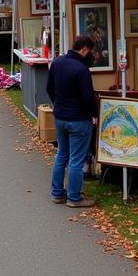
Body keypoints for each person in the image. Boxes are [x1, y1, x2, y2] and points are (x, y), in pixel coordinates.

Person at [46, 35, 98, 208]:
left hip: (60, 116)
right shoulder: (82, 70)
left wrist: (57, 104)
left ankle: (57, 193)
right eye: (90, 51)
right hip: (78, 119)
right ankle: (74, 197)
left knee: (62, 154)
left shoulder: (58, 62)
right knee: (77, 159)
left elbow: (49, 88)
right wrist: (94, 113)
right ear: (84, 49)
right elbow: (88, 98)